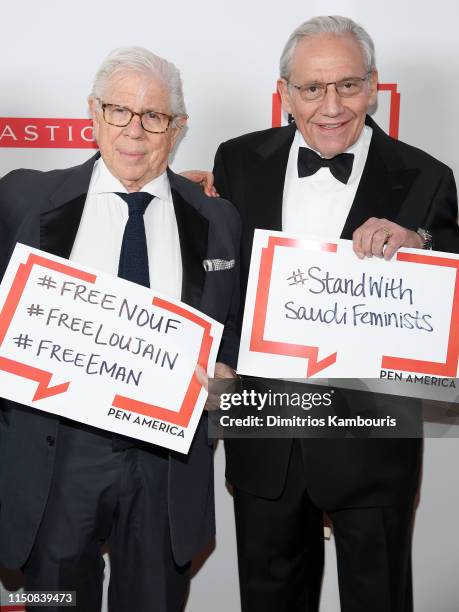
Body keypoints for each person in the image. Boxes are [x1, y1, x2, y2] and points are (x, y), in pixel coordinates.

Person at [208, 15, 459, 612]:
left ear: (373, 86)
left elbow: (453, 254)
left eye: (347, 85)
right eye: (312, 88)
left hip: (374, 443)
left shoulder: (426, 174)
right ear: (285, 92)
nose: (331, 105)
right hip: (264, 437)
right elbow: (217, 270)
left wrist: (420, 239)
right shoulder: (237, 161)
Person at [0, 47, 240, 612]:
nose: (134, 130)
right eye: (118, 111)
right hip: (57, 459)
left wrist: (224, 382)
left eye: (154, 116)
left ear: (177, 128)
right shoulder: (22, 199)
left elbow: (232, 337)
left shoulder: (217, 219)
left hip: (166, 465)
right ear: (93, 112)